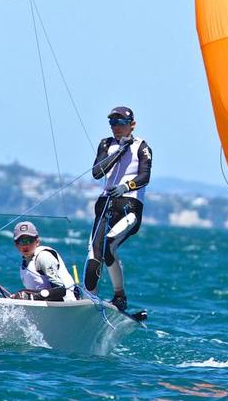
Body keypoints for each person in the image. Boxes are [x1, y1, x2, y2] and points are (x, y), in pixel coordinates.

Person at [84, 106, 152, 312]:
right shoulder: (106, 144)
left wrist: (126, 186)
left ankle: (120, 296)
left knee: (109, 246)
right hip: (106, 204)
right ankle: (88, 301)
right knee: (95, 253)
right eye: (113, 123)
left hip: (129, 206)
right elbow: (97, 172)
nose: (116, 127)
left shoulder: (142, 146)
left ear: (132, 125)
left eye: (121, 123)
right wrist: (120, 149)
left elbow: (144, 176)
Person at [10, 220, 78, 301]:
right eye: (21, 241)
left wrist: (32, 297)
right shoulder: (25, 263)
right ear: (16, 245)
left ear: (37, 242)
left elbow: (61, 290)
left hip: (66, 304)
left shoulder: (44, 257)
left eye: (29, 240)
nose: (26, 245)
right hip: (44, 305)